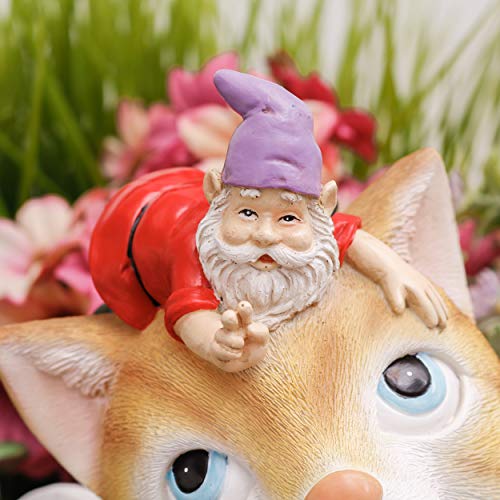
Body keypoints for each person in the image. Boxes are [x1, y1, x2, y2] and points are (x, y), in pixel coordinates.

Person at [90, 70, 447, 372]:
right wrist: (218, 342)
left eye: (288, 217)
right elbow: (188, 312)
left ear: (324, 206)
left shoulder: (313, 237)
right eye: (247, 213)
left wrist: (392, 269)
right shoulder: (199, 246)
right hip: (129, 248)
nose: (264, 235)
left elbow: (347, 236)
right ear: (215, 193)